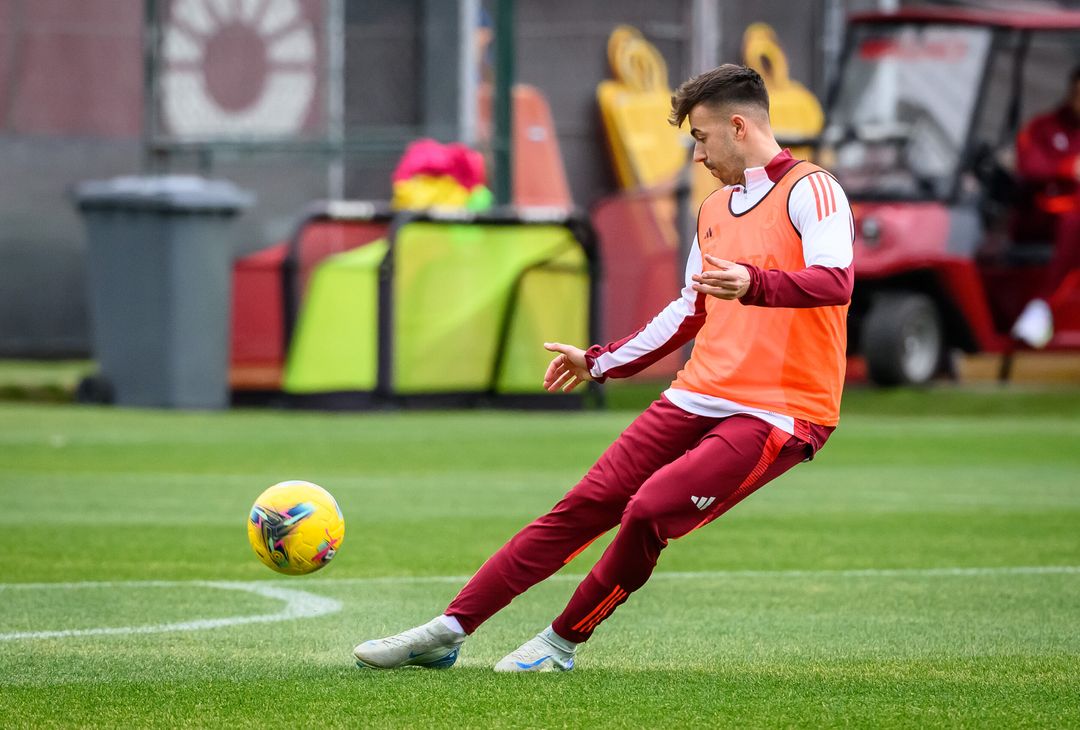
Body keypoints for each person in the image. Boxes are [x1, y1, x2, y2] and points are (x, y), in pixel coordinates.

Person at [352, 64, 854, 673]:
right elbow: (688, 311)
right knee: (584, 505)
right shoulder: (716, 207)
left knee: (648, 510)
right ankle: (448, 629)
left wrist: (753, 282)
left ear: (739, 126)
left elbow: (836, 280)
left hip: (779, 412)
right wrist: (599, 361)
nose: (696, 154)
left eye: (701, 137)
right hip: (698, 395)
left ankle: (559, 644)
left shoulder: (814, 188)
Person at [1011, 65, 1080, 349]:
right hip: (1043, 217)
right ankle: (1041, 308)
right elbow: (1029, 166)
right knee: (1074, 222)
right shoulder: (1042, 128)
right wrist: (1068, 169)